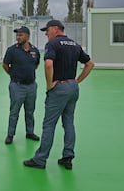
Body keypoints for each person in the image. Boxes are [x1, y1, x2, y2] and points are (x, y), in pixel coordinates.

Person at [23, 20, 94, 169]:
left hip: (59, 88)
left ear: (55, 29)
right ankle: (67, 157)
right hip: (73, 88)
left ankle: (40, 160)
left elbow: (48, 64)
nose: (46, 33)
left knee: (49, 124)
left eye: (47, 30)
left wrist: (49, 86)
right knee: (68, 122)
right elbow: (90, 64)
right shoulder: (75, 44)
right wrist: (77, 81)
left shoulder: (53, 44)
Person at [2, 26, 41, 145]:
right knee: (14, 111)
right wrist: (14, 75)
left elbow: (36, 65)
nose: (18, 37)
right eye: (17, 35)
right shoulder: (12, 50)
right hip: (17, 86)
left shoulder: (35, 51)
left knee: (30, 111)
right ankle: (10, 134)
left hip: (31, 86)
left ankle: (30, 132)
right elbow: (5, 65)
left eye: (20, 35)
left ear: (27, 36)